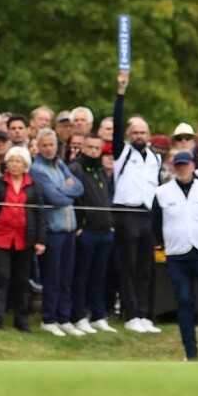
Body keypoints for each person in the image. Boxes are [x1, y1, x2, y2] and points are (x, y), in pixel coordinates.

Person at [152, 151, 198, 361]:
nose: (182, 169)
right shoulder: (162, 192)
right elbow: (156, 224)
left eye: (185, 165)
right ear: (174, 167)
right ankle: (191, 351)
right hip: (177, 254)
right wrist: (169, 241)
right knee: (184, 300)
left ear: (193, 166)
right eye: (178, 165)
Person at [111, 70, 163, 334]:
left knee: (146, 266)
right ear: (129, 134)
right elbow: (117, 122)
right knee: (128, 265)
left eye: (143, 132)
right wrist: (121, 94)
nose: (139, 135)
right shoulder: (122, 152)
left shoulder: (155, 158)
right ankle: (130, 313)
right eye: (135, 132)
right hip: (126, 213)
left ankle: (143, 312)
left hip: (147, 215)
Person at [0, 146, 46, 332]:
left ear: (25, 165)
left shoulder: (34, 185)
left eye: (18, 161)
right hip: (0, 237)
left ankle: (21, 319)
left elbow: (40, 214)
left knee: (22, 280)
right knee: (1, 278)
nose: (14, 165)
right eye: (11, 161)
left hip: (25, 239)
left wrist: (40, 240)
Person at [30, 127, 84, 336]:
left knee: (66, 277)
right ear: (38, 147)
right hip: (53, 231)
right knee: (52, 277)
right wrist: (66, 192)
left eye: (51, 144)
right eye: (44, 145)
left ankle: (64, 317)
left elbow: (79, 187)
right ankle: (49, 318)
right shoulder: (37, 169)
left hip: (69, 229)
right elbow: (55, 198)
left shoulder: (60, 164)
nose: (48, 148)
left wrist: (64, 191)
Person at [70, 132, 116, 333]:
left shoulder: (101, 170)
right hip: (86, 231)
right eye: (90, 147)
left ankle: (98, 315)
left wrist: (111, 223)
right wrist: (79, 226)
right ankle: (79, 315)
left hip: (105, 231)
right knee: (82, 276)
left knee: (100, 276)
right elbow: (73, 198)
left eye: (97, 148)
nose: (94, 151)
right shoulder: (76, 168)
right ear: (82, 147)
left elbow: (108, 197)